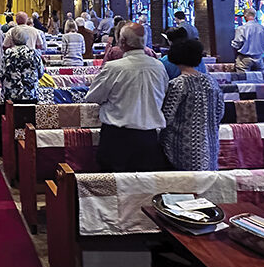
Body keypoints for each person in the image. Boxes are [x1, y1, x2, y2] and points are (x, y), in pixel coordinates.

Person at [86, 23, 170, 172]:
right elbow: (163, 93)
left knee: (115, 188)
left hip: (118, 137)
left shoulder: (114, 68)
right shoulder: (159, 67)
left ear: (122, 42)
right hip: (149, 137)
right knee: (144, 188)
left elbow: (93, 96)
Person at [160, 39, 225, 171]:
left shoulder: (178, 84)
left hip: (183, 145)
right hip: (209, 143)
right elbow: (220, 112)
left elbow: (167, 116)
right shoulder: (211, 82)